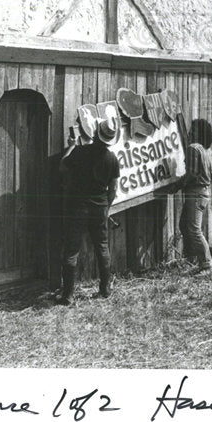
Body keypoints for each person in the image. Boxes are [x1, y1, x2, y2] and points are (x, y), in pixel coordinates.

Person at [56, 114, 121, 304]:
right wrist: (106, 207)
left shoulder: (80, 152)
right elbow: (114, 189)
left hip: (77, 207)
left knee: (71, 250)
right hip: (99, 207)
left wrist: (71, 146)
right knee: (102, 247)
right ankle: (105, 289)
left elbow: (62, 167)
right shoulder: (112, 159)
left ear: (96, 133)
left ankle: (68, 294)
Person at [176, 118, 212, 275]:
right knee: (184, 225)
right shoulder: (208, 151)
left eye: (193, 130)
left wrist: (177, 184)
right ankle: (195, 259)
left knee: (194, 230)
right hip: (203, 192)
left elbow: (192, 174)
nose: (190, 132)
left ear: (199, 133)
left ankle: (207, 264)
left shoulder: (193, 148)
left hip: (195, 192)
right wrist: (205, 181)